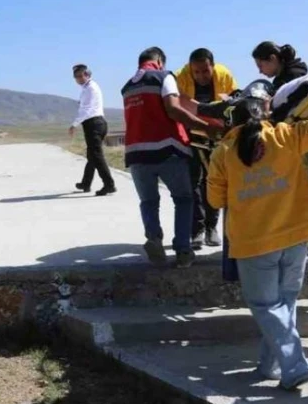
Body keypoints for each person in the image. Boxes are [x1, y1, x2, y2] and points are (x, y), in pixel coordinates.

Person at [206, 81, 308, 391]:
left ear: (231, 122)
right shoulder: (287, 136)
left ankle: (294, 365)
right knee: (284, 303)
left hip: (255, 242)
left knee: (266, 306)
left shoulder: (223, 153)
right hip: (297, 235)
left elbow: (214, 201)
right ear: (263, 114)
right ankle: (270, 364)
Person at [121, 47, 218, 267]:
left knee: (148, 201)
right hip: (167, 150)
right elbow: (173, 110)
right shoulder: (164, 77)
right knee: (183, 199)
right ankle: (183, 251)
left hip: (136, 154)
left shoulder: (127, 87)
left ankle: (154, 238)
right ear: (159, 61)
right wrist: (205, 127)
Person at [174, 48, 238, 248]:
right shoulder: (179, 78)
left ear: (212, 66)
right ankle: (197, 229)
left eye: (205, 71)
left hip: (216, 135)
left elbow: (234, 102)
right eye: (197, 72)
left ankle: (212, 227)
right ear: (190, 70)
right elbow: (177, 104)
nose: (201, 76)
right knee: (193, 180)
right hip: (190, 135)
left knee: (214, 180)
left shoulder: (224, 75)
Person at [69, 64, 116, 196]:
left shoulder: (90, 88)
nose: (78, 78)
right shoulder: (86, 88)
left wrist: (74, 124)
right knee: (92, 155)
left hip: (94, 124)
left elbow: (87, 110)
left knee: (96, 155)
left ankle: (109, 184)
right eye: (76, 76)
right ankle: (86, 183)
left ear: (88, 75)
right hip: (94, 123)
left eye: (81, 75)